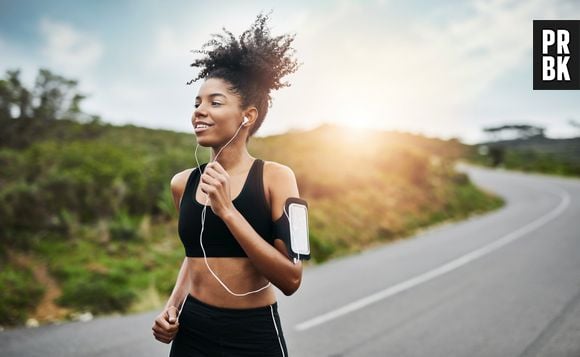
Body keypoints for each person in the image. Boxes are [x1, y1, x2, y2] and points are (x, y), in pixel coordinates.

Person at [151, 12, 303, 356]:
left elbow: (291, 279)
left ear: (247, 115)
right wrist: (172, 306)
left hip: (253, 333)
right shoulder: (183, 184)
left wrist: (228, 211)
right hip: (192, 329)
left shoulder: (277, 178)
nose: (199, 111)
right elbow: (195, 256)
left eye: (214, 102)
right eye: (197, 103)